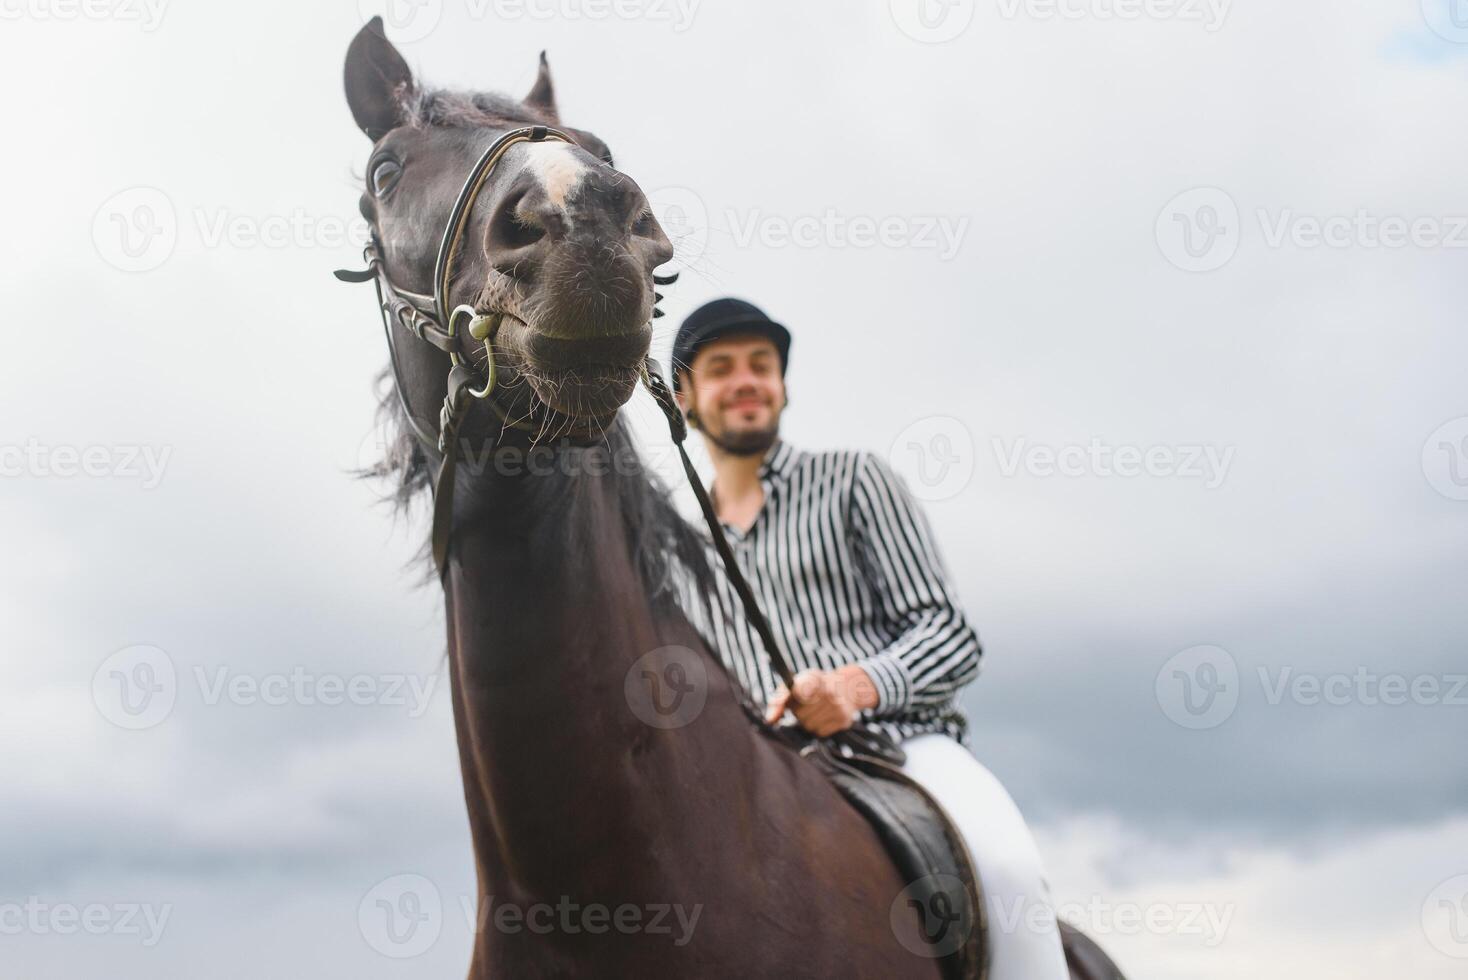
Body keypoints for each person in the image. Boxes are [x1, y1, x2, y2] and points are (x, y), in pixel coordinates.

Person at [668, 297, 1070, 980]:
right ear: (684, 396)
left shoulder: (856, 480)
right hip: (759, 783)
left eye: (762, 366)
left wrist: (854, 686)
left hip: (902, 749)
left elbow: (949, 634)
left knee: (1008, 874)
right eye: (722, 367)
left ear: (783, 386)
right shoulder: (679, 549)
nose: (746, 381)